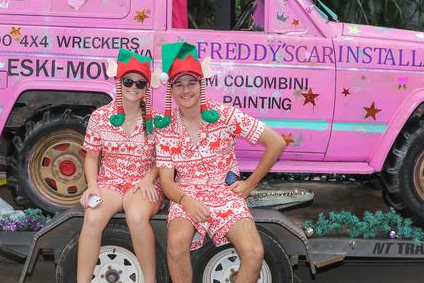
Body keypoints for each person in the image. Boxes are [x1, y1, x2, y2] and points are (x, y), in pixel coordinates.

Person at [154, 42, 286, 283]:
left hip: (225, 192)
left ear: (201, 84)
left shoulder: (225, 115)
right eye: (179, 85)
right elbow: (165, 181)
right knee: (175, 245)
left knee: (255, 254)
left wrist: (249, 184)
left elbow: (276, 142)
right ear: (171, 89)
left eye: (191, 83)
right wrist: (185, 200)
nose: (186, 91)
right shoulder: (166, 127)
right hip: (187, 192)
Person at [77, 48, 161, 283]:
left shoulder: (156, 120)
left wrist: (148, 178)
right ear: (119, 82)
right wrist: (92, 186)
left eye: (140, 83)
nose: (134, 87)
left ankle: (149, 280)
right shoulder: (100, 117)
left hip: (143, 183)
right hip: (110, 182)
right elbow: (91, 156)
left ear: (147, 87)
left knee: (136, 217)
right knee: (92, 218)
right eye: (128, 81)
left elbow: (166, 158)